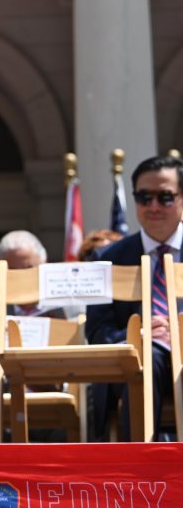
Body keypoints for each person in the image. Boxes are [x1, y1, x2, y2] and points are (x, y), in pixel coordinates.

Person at [86, 155, 182, 441]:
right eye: (144, 197)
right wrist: (137, 334)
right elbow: (97, 331)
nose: (153, 206)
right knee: (146, 358)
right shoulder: (109, 258)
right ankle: (140, 475)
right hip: (134, 368)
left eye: (165, 197)